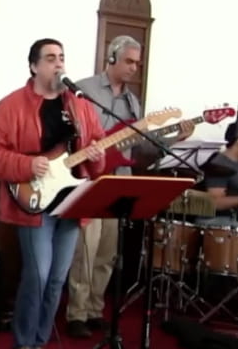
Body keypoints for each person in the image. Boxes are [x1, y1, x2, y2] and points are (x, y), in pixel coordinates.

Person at [0, 38, 106, 349]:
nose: (59, 63)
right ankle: (24, 344)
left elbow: (99, 152)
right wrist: (26, 164)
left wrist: (96, 155)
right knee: (37, 276)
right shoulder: (11, 106)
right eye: (51, 58)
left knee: (57, 280)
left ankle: (40, 341)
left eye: (61, 57)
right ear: (34, 66)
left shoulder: (81, 106)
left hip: (72, 201)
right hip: (33, 202)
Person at [65, 35, 193, 338]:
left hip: (120, 180)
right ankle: (76, 314)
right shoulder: (84, 90)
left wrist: (175, 138)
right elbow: (75, 135)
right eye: (129, 61)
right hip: (89, 179)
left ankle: (95, 309)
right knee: (86, 249)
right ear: (111, 58)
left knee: (107, 252)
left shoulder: (133, 103)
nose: (134, 68)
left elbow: (140, 148)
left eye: (137, 63)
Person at [198, 122, 238, 224]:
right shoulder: (219, 164)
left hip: (232, 218)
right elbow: (215, 203)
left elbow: (234, 196)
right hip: (214, 220)